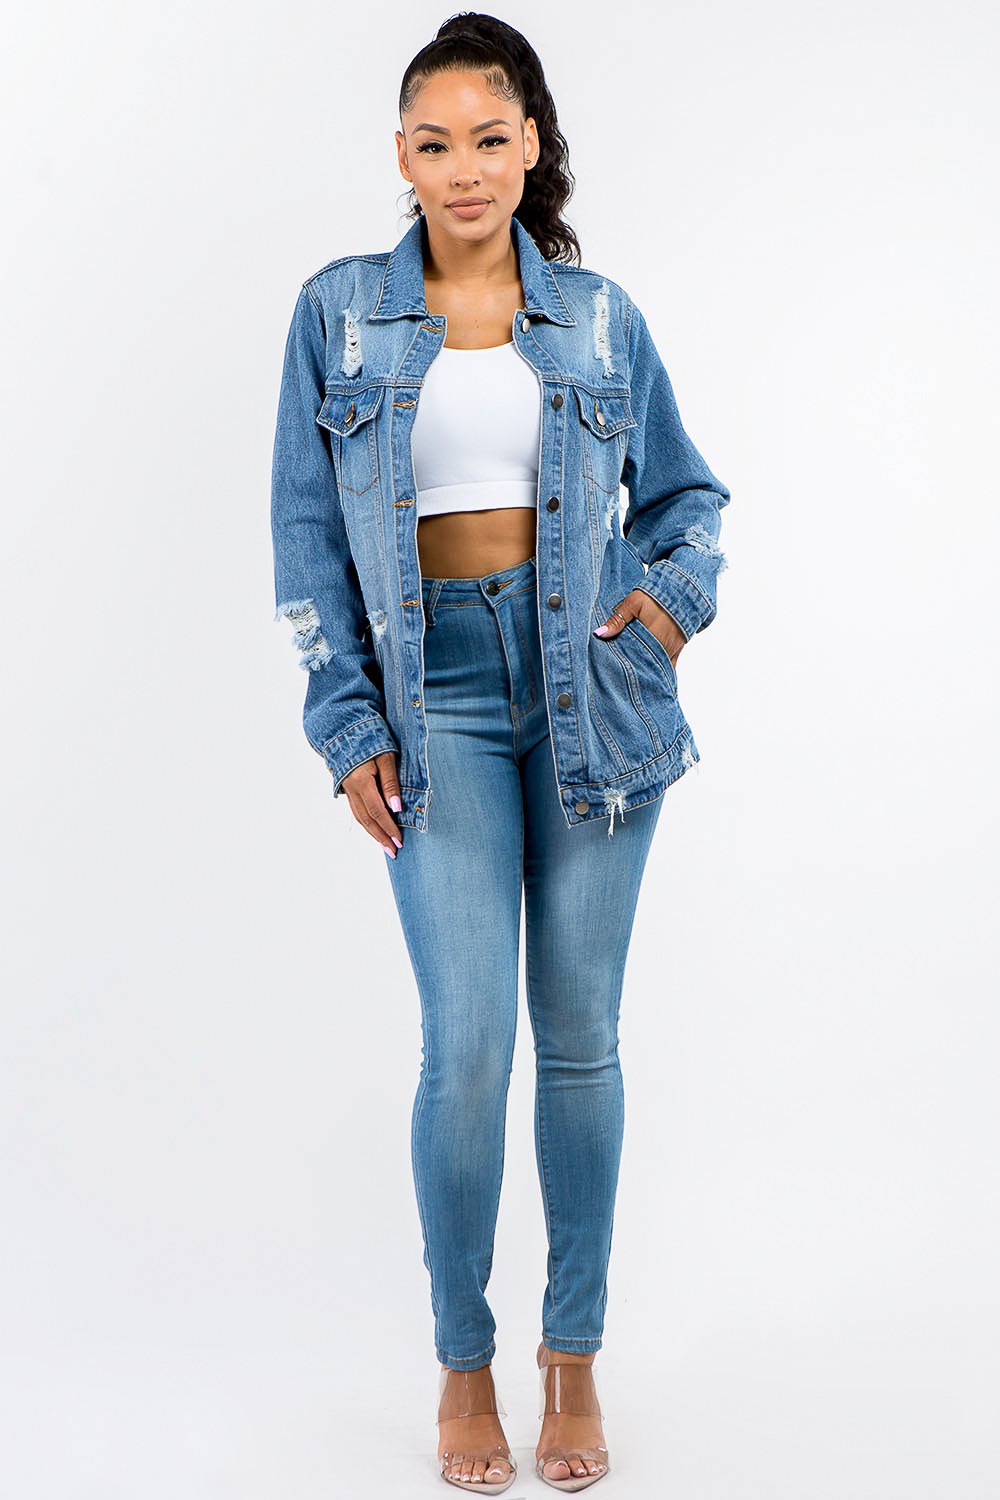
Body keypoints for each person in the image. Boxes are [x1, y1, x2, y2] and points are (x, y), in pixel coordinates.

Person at [270, 15, 731, 1492]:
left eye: (488, 136)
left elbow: (690, 503)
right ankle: (464, 1364)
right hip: (437, 706)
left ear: (531, 143)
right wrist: (347, 725)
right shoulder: (337, 314)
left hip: (592, 697)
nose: (462, 168)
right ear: (398, 157)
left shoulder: (599, 318)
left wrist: (654, 619)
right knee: (466, 1049)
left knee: (581, 1044)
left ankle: (571, 1357)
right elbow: (302, 539)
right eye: (432, 141)